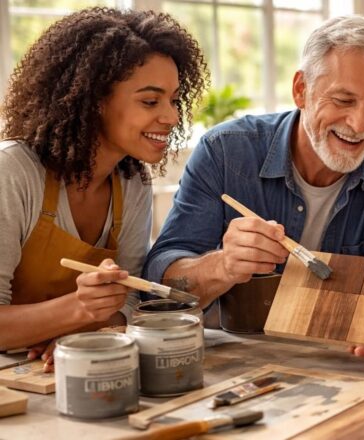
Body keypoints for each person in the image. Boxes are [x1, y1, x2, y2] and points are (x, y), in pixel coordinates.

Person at [144, 15, 364, 361]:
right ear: (301, 90)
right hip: (234, 356)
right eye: (343, 100)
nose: (359, 123)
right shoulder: (225, 152)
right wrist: (223, 265)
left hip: (345, 360)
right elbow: (157, 287)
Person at [0, 7, 208, 367]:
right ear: (93, 100)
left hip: (67, 368)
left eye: (174, 100)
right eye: (150, 101)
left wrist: (85, 331)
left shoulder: (132, 182)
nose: (172, 116)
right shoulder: (13, 172)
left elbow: (128, 302)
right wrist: (78, 311)